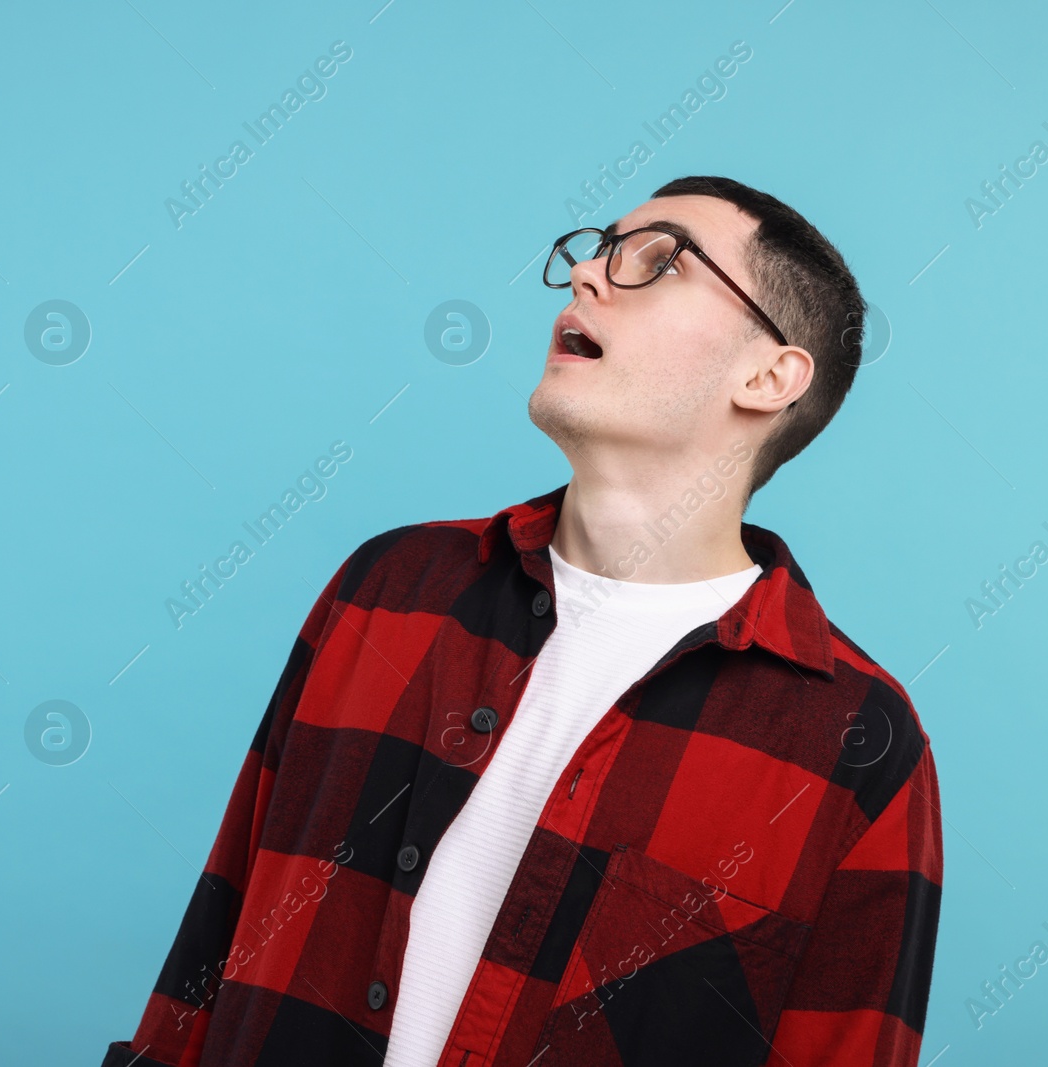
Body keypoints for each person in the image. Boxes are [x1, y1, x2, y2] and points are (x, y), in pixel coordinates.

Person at [100, 176, 943, 1067]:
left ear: (770, 375)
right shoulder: (391, 587)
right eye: (594, 249)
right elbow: (219, 930)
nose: (585, 275)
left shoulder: (858, 739)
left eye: (657, 262)